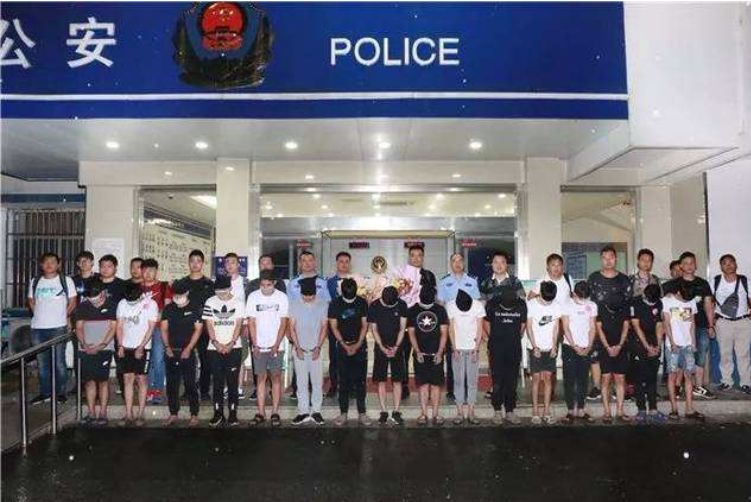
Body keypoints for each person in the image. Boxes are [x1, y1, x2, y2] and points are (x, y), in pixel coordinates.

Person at [663, 252, 716, 400]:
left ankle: (698, 386)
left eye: (692, 262)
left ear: (696, 264)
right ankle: (677, 387)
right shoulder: (671, 285)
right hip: (680, 329)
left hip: (702, 325)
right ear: (680, 266)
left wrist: (711, 325)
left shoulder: (703, 283)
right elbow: (663, 305)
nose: (689, 266)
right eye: (685, 263)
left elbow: (708, 305)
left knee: (700, 355)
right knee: (680, 358)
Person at [28, 252, 77, 405]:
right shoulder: (35, 281)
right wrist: (39, 315)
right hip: (38, 328)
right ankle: (45, 393)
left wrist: (63, 316)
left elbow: (72, 302)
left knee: (59, 362)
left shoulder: (66, 280)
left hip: (58, 327)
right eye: (46, 262)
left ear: (58, 264)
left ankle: (60, 393)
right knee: (42, 363)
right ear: (41, 265)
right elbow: (31, 300)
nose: (49, 265)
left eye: (53, 262)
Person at [587, 245, 632, 402]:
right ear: (601, 259)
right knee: (595, 356)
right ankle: (597, 387)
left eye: (611, 257)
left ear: (616, 259)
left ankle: (617, 388)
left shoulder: (624, 279)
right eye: (605, 258)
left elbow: (628, 303)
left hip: (619, 326)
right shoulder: (593, 278)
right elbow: (588, 302)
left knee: (619, 357)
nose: (608, 261)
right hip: (597, 324)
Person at [479, 250, 525, 399]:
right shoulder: (486, 283)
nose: (499, 265)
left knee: (511, 363)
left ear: (507, 265)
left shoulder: (514, 282)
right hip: (493, 328)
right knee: (494, 362)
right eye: (496, 262)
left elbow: (522, 304)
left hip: (511, 328)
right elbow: (481, 309)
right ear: (491, 264)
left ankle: (509, 391)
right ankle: (496, 388)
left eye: (502, 262)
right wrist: (484, 331)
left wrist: (519, 331)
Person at [247, 269, 289, 427]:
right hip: (259, 345)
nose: (265, 288)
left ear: (274, 283)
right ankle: (261, 412)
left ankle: (275, 412)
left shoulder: (282, 297)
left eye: (268, 285)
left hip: (277, 345)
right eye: (263, 285)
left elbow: (284, 323)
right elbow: (251, 322)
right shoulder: (253, 296)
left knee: (276, 377)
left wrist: (276, 344)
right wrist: (255, 344)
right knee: (261, 378)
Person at [437, 253, 481, 401]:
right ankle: (452, 390)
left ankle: (468, 390)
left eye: (460, 260)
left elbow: (477, 303)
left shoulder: (472, 281)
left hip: (469, 327)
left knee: (470, 360)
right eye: (454, 261)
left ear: (464, 263)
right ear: (450, 263)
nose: (457, 263)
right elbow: (441, 304)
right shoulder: (444, 281)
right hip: (452, 326)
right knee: (453, 359)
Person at [203, 275, 245, 427]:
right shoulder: (210, 301)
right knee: (217, 382)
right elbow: (209, 324)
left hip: (234, 347)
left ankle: (233, 413)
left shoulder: (238, 303)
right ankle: (218, 413)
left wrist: (231, 343)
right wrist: (215, 343)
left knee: (232, 382)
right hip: (214, 348)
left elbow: (239, 324)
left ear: (230, 288)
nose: (220, 294)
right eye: (218, 291)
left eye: (224, 291)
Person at [396, 245, 437, 399]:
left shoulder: (429, 275)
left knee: (425, 353)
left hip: (424, 320)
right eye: (412, 255)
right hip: (406, 319)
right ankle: (404, 385)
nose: (416, 258)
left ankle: (427, 385)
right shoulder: (401, 275)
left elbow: (433, 298)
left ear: (423, 257)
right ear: (409, 257)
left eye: (419, 255)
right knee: (404, 354)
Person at [289, 250, 331, 400]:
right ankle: (298, 393)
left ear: (314, 262)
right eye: (304, 260)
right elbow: (289, 308)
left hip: (316, 330)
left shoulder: (322, 282)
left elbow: (327, 304)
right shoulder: (293, 283)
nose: (307, 263)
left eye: (310, 260)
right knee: (299, 367)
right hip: (298, 329)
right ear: (299, 263)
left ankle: (316, 397)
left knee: (316, 368)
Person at [161, 280, 203, 427]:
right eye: (175, 295)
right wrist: (167, 347)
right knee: (172, 385)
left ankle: (194, 414)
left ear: (187, 293)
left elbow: (198, 329)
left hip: (188, 352)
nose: (177, 297)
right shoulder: (169, 308)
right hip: (171, 351)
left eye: (180, 295)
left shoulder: (194, 307)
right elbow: (164, 329)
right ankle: (173, 413)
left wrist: (189, 348)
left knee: (190, 384)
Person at [329, 278, 370, 426]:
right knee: (343, 380)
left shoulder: (362, 302)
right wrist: (344, 344)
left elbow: (365, 325)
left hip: (360, 345)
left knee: (361, 381)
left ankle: (362, 413)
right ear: (342, 292)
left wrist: (358, 344)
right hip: (342, 345)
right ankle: (343, 413)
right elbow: (333, 326)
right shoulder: (335, 303)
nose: (350, 298)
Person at [115, 282, 158, 426]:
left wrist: (141, 346)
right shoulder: (122, 303)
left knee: (141, 379)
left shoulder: (151, 304)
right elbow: (119, 326)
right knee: (127, 379)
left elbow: (151, 328)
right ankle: (128, 413)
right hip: (126, 346)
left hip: (143, 347)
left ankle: (141, 413)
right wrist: (120, 345)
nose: (131, 304)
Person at [74, 278, 115, 425]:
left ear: (103, 293)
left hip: (104, 349)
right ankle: (91, 413)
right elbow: (79, 327)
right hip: (86, 348)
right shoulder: (83, 306)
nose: (94, 301)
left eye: (96, 298)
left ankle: (103, 413)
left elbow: (113, 328)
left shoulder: (111, 305)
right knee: (89, 381)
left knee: (103, 381)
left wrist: (102, 345)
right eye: (91, 298)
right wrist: (84, 344)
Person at [288, 277, 329, 425]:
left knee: (317, 382)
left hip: (316, 349)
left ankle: (316, 411)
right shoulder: (294, 304)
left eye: (311, 295)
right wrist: (297, 347)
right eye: (305, 296)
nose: (308, 298)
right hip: (300, 349)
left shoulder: (322, 304)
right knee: (301, 382)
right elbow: (291, 327)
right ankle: (303, 412)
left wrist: (318, 347)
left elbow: (324, 327)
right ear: (301, 293)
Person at [662, 281, 705, 421]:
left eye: (689, 299)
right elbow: (666, 323)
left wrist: (693, 342)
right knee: (672, 376)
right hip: (672, 345)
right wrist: (672, 342)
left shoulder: (691, 301)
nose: (687, 301)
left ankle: (689, 409)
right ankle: (674, 409)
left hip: (687, 345)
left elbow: (692, 323)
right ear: (678, 292)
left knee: (689, 376)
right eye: (684, 298)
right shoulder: (667, 301)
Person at [484, 288, 526, 425]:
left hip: (514, 348)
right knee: (497, 380)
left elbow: (523, 325)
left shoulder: (521, 305)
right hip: (496, 348)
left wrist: (514, 337)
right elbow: (486, 322)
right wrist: (493, 337)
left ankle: (510, 411)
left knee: (512, 381)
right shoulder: (492, 304)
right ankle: (497, 411)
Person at [407, 286, 448, 426]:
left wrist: (440, 352)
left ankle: (435, 414)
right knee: (422, 385)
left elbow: (444, 333)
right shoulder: (413, 310)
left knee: (436, 385)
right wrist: (417, 351)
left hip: (436, 353)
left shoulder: (440, 310)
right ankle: (423, 413)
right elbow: (411, 333)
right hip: (421, 354)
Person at [368, 285, 408, 426]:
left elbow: (402, 328)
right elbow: (374, 329)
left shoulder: (402, 305)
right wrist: (381, 346)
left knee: (398, 380)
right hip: (381, 347)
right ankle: (384, 411)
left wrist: (396, 347)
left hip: (397, 346)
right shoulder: (374, 306)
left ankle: (396, 411)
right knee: (381, 380)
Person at [712, 254, 751, 394]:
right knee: (725, 354)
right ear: (721, 266)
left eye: (731, 262)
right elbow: (709, 302)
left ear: (736, 264)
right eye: (725, 263)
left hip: (743, 322)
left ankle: (746, 383)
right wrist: (711, 323)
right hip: (723, 322)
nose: (728, 265)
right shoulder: (715, 281)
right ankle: (726, 381)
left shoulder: (745, 281)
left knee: (743, 354)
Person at [446, 289, 485, 425]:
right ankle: (459, 412)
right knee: (458, 381)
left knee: (472, 382)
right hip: (458, 349)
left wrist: (476, 348)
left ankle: (471, 411)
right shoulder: (450, 305)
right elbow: (451, 329)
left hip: (472, 349)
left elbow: (480, 328)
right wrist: (454, 348)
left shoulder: (478, 306)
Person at [630, 284, 668, 423]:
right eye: (649, 301)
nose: (652, 304)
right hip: (638, 342)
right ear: (644, 295)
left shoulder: (658, 303)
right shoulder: (635, 302)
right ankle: (641, 410)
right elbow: (636, 326)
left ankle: (653, 409)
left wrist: (657, 345)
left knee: (652, 378)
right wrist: (646, 346)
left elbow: (659, 324)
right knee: (639, 378)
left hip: (653, 342)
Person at [560, 281, 597, 424]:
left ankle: (581, 409)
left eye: (585, 298)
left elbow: (592, 327)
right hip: (570, 347)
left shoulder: (592, 305)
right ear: (574, 294)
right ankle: (570, 410)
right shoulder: (566, 305)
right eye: (580, 298)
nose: (583, 301)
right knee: (569, 379)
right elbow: (566, 328)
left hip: (586, 346)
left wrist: (589, 346)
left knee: (583, 379)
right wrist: (575, 346)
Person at [181, 249, 215, 401]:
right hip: (186, 327)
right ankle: (188, 390)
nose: (195, 264)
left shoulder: (209, 284)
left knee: (206, 360)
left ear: (203, 263)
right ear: (189, 263)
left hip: (205, 327)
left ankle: (205, 390)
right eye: (192, 261)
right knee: (187, 359)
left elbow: (213, 307)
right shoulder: (182, 283)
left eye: (198, 261)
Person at [526, 281, 561, 424]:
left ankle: (546, 411)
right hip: (535, 348)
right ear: (540, 293)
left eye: (550, 301)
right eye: (546, 300)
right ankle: (535, 411)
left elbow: (556, 327)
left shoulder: (556, 305)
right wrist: (535, 347)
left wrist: (554, 346)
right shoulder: (531, 304)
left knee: (548, 379)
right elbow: (529, 327)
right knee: (536, 379)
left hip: (549, 348)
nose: (548, 303)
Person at [596, 285, 631, 424]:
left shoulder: (624, 307)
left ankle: (620, 411)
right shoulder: (601, 308)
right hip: (605, 347)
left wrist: (619, 346)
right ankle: (607, 412)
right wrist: (607, 347)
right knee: (605, 379)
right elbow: (599, 329)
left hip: (620, 347)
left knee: (620, 379)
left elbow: (626, 327)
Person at [140, 259, 172, 405]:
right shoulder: (137, 288)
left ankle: (157, 390)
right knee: (145, 360)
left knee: (158, 358)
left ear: (156, 271)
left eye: (151, 270)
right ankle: (147, 389)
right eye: (145, 270)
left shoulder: (164, 286)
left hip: (159, 328)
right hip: (141, 329)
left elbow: (167, 308)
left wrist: (155, 318)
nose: (148, 273)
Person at [223, 252, 251, 400]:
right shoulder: (221, 281)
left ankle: (238, 387)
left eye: (232, 262)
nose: (229, 265)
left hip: (242, 325)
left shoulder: (245, 282)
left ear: (238, 264)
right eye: (227, 262)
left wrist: (247, 324)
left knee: (240, 356)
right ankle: (227, 387)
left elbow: (249, 305)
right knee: (225, 356)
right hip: (224, 325)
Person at [98, 254, 127, 396]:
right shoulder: (94, 283)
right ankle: (97, 391)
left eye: (109, 266)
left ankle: (124, 388)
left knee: (120, 358)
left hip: (118, 327)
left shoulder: (122, 285)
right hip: (98, 326)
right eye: (102, 266)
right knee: (99, 359)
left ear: (115, 268)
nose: (105, 269)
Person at [325, 251, 352, 399]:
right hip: (334, 324)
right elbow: (328, 303)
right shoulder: (329, 282)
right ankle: (334, 385)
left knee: (351, 357)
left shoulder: (356, 280)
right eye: (341, 261)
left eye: (346, 261)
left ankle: (350, 386)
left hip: (351, 325)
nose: (344, 264)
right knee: (334, 357)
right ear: (336, 263)